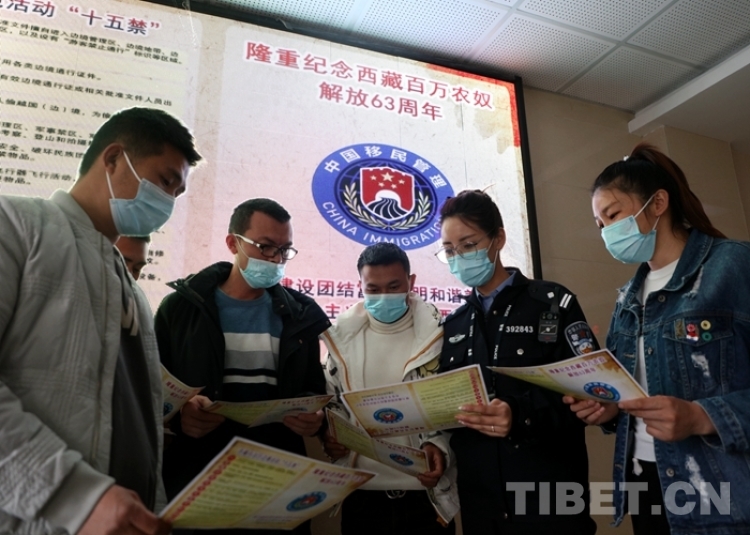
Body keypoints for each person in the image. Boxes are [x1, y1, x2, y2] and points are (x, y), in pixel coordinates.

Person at [0, 107, 201, 535]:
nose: (168, 202)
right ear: (112, 158)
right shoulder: (15, 226)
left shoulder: (131, 290)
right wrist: (74, 497)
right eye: (165, 181)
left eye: (177, 193)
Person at [565, 143, 750, 534]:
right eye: (600, 225)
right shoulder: (628, 298)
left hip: (723, 488)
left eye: (612, 215)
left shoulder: (733, 265)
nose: (607, 232)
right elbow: (634, 393)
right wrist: (609, 409)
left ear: (658, 203)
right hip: (645, 480)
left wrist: (702, 417)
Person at [155, 198, 331, 535]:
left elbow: (313, 389)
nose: (275, 259)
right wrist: (180, 415)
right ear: (233, 243)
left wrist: (314, 418)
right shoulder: (181, 309)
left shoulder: (300, 315)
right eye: (265, 247)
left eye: (284, 250)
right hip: (199, 477)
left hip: (276, 481)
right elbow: (152, 389)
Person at [436, 189, 597, 535]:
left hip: (549, 498)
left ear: (498, 239)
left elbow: (589, 391)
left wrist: (520, 414)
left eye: (468, 244)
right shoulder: (454, 325)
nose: (458, 257)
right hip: (482, 506)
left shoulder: (551, 303)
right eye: (449, 250)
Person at [321, 243, 459, 535]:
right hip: (362, 497)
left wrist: (440, 447)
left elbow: (456, 407)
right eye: (373, 289)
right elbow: (331, 403)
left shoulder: (440, 337)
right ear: (360, 286)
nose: (384, 296)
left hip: (427, 499)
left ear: (411, 282)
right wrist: (330, 436)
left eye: (394, 287)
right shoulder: (341, 340)